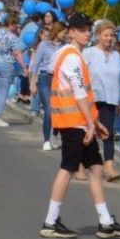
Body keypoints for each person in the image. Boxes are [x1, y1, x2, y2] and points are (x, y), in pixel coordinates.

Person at [38, 12, 120, 239]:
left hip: (79, 121)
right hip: (74, 123)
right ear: (71, 32)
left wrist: (95, 122)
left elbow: (79, 93)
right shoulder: (72, 57)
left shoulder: (65, 53)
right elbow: (79, 92)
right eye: (82, 30)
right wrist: (91, 123)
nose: (87, 33)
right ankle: (50, 221)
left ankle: (105, 222)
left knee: (97, 167)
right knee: (68, 168)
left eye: (89, 29)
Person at [84, 21, 120, 181]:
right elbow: (82, 75)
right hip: (92, 98)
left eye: (111, 35)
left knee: (108, 133)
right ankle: (81, 164)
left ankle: (109, 168)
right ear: (98, 35)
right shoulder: (89, 52)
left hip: (110, 98)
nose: (109, 38)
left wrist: (119, 100)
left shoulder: (116, 55)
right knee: (89, 131)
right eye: (105, 35)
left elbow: (119, 79)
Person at [29, 22, 66, 151]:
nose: (65, 35)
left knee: (59, 110)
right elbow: (36, 64)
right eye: (63, 32)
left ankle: (55, 134)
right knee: (49, 110)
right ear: (57, 32)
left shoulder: (65, 46)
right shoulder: (44, 45)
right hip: (45, 78)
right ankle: (46, 139)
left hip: (60, 79)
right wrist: (33, 83)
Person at [0, 16, 25, 126]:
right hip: (5, 64)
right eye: (16, 25)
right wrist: (24, 67)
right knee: (3, 92)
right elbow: (17, 53)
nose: (17, 27)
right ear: (12, 25)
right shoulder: (13, 37)